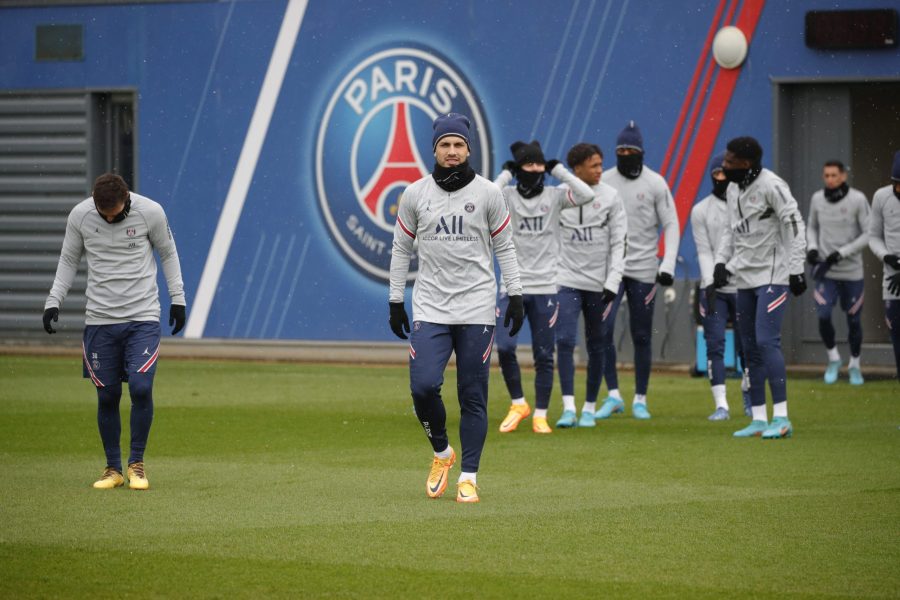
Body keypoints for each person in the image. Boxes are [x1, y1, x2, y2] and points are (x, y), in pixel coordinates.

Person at [388, 113, 523, 504]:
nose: (451, 151)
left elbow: (506, 247)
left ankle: (469, 476)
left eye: (458, 145)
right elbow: (401, 249)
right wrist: (396, 299)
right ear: (434, 149)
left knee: (472, 395)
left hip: (477, 307)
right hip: (430, 306)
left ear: (468, 149)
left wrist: (515, 293)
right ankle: (443, 453)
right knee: (423, 387)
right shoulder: (415, 194)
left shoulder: (488, 194)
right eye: (444, 145)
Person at [43, 173, 186, 489]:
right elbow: (68, 259)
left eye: (116, 215)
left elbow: (168, 253)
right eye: (104, 215)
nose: (110, 220)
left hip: (142, 318)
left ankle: (136, 464)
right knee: (107, 394)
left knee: (140, 388)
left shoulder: (151, 212)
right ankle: (113, 469)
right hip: (100, 321)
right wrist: (54, 300)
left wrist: (178, 298)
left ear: (128, 200)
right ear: (94, 203)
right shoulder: (80, 216)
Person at [492, 140, 594, 434]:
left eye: (540, 164)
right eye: (529, 164)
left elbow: (586, 194)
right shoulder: (507, 195)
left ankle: (540, 414)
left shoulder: (555, 195)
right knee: (506, 347)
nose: (536, 169)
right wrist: (507, 175)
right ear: (519, 168)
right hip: (511, 287)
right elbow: (486, 195)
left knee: (543, 354)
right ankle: (518, 403)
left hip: (547, 287)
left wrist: (559, 170)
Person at [712, 136, 807, 439]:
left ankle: (782, 419)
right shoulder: (731, 189)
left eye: (730, 162)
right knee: (749, 350)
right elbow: (731, 230)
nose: (724, 166)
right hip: (745, 279)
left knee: (767, 343)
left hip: (773, 277)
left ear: (746, 163)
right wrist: (721, 262)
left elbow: (794, 224)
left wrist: (796, 268)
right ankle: (758, 419)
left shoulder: (772, 185)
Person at [597, 121, 680, 420]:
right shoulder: (604, 181)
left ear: (642, 152)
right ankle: (613, 395)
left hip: (645, 270)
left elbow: (671, 223)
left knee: (642, 335)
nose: (626, 155)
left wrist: (667, 262)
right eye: (620, 151)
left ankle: (640, 398)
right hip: (611, 270)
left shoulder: (656, 183)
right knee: (602, 331)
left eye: (631, 150)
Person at [554, 143, 627, 428]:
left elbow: (620, 242)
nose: (600, 170)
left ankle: (589, 408)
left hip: (600, 285)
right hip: (566, 281)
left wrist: (613, 280)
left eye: (600, 164)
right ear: (577, 169)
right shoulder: (559, 197)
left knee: (597, 344)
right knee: (564, 341)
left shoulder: (611, 197)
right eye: (594, 165)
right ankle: (568, 407)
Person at [691, 153, 750, 421]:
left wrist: (730, 269)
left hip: (745, 285)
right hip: (715, 288)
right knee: (713, 344)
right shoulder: (700, 210)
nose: (721, 180)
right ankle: (721, 405)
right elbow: (703, 250)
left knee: (748, 346)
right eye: (717, 175)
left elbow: (749, 245)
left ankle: (752, 400)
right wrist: (711, 280)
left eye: (725, 174)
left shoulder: (746, 206)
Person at [806, 160, 870, 385]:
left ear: (843, 176)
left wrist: (841, 253)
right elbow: (811, 226)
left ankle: (855, 364)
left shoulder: (857, 199)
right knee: (823, 315)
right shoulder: (816, 199)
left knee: (853, 320)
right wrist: (812, 248)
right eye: (826, 175)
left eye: (834, 175)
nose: (830, 179)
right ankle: (833, 358)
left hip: (852, 272)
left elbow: (868, 234)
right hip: (826, 272)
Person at [867, 150, 900, 380]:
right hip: (892, 278)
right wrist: (886, 256)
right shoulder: (881, 197)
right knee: (896, 329)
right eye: (897, 184)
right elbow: (873, 236)